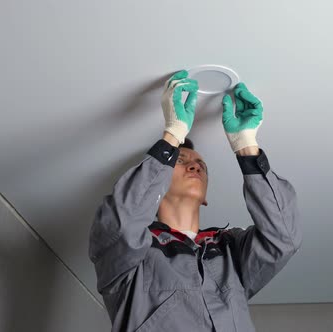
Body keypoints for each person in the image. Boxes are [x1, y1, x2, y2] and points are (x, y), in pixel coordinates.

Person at [89, 70, 302, 331]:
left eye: (201, 165)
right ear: (158, 183)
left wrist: (247, 147)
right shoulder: (137, 255)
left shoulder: (229, 250)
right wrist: (173, 134)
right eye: (181, 161)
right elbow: (120, 226)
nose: (195, 167)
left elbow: (283, 238)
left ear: (205, 199)